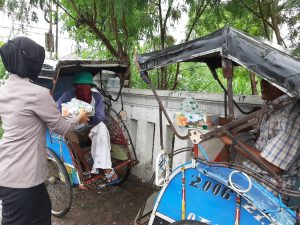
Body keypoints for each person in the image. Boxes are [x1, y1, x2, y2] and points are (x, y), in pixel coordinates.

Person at [0, 37, 89, 225]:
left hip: (6, 170)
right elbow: (62, 127)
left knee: (41, 213)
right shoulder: (37, 94)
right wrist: (80, 117)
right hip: (23, 179)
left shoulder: (4, 90)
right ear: (28, 63)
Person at [221, 79, 300, 199]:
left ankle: (223, 183)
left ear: (287, 82)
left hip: (268, 187)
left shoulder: (292, 115)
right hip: (253, 171)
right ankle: (222, 174)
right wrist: (215, 121)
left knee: (231, 141)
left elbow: (274, 167)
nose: (263, 82)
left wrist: (233, 141)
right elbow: (248, 123)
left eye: (271, 79)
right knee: (230, 139)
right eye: (263, 77)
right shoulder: (274, 106)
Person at [56, 71, 119, 185]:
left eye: (87, 87)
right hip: (73, 128)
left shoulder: (97, 97)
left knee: (102, 127)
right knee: (68, 136)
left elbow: (100, 117)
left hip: (90, 127)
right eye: (80, 87)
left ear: (91, 87)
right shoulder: (68, 96)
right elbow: (56, 109)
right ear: (75, 87)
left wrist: (88, 116)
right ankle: (86, 166)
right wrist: (77, 115)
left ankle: (106, 169)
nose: (84, 90)